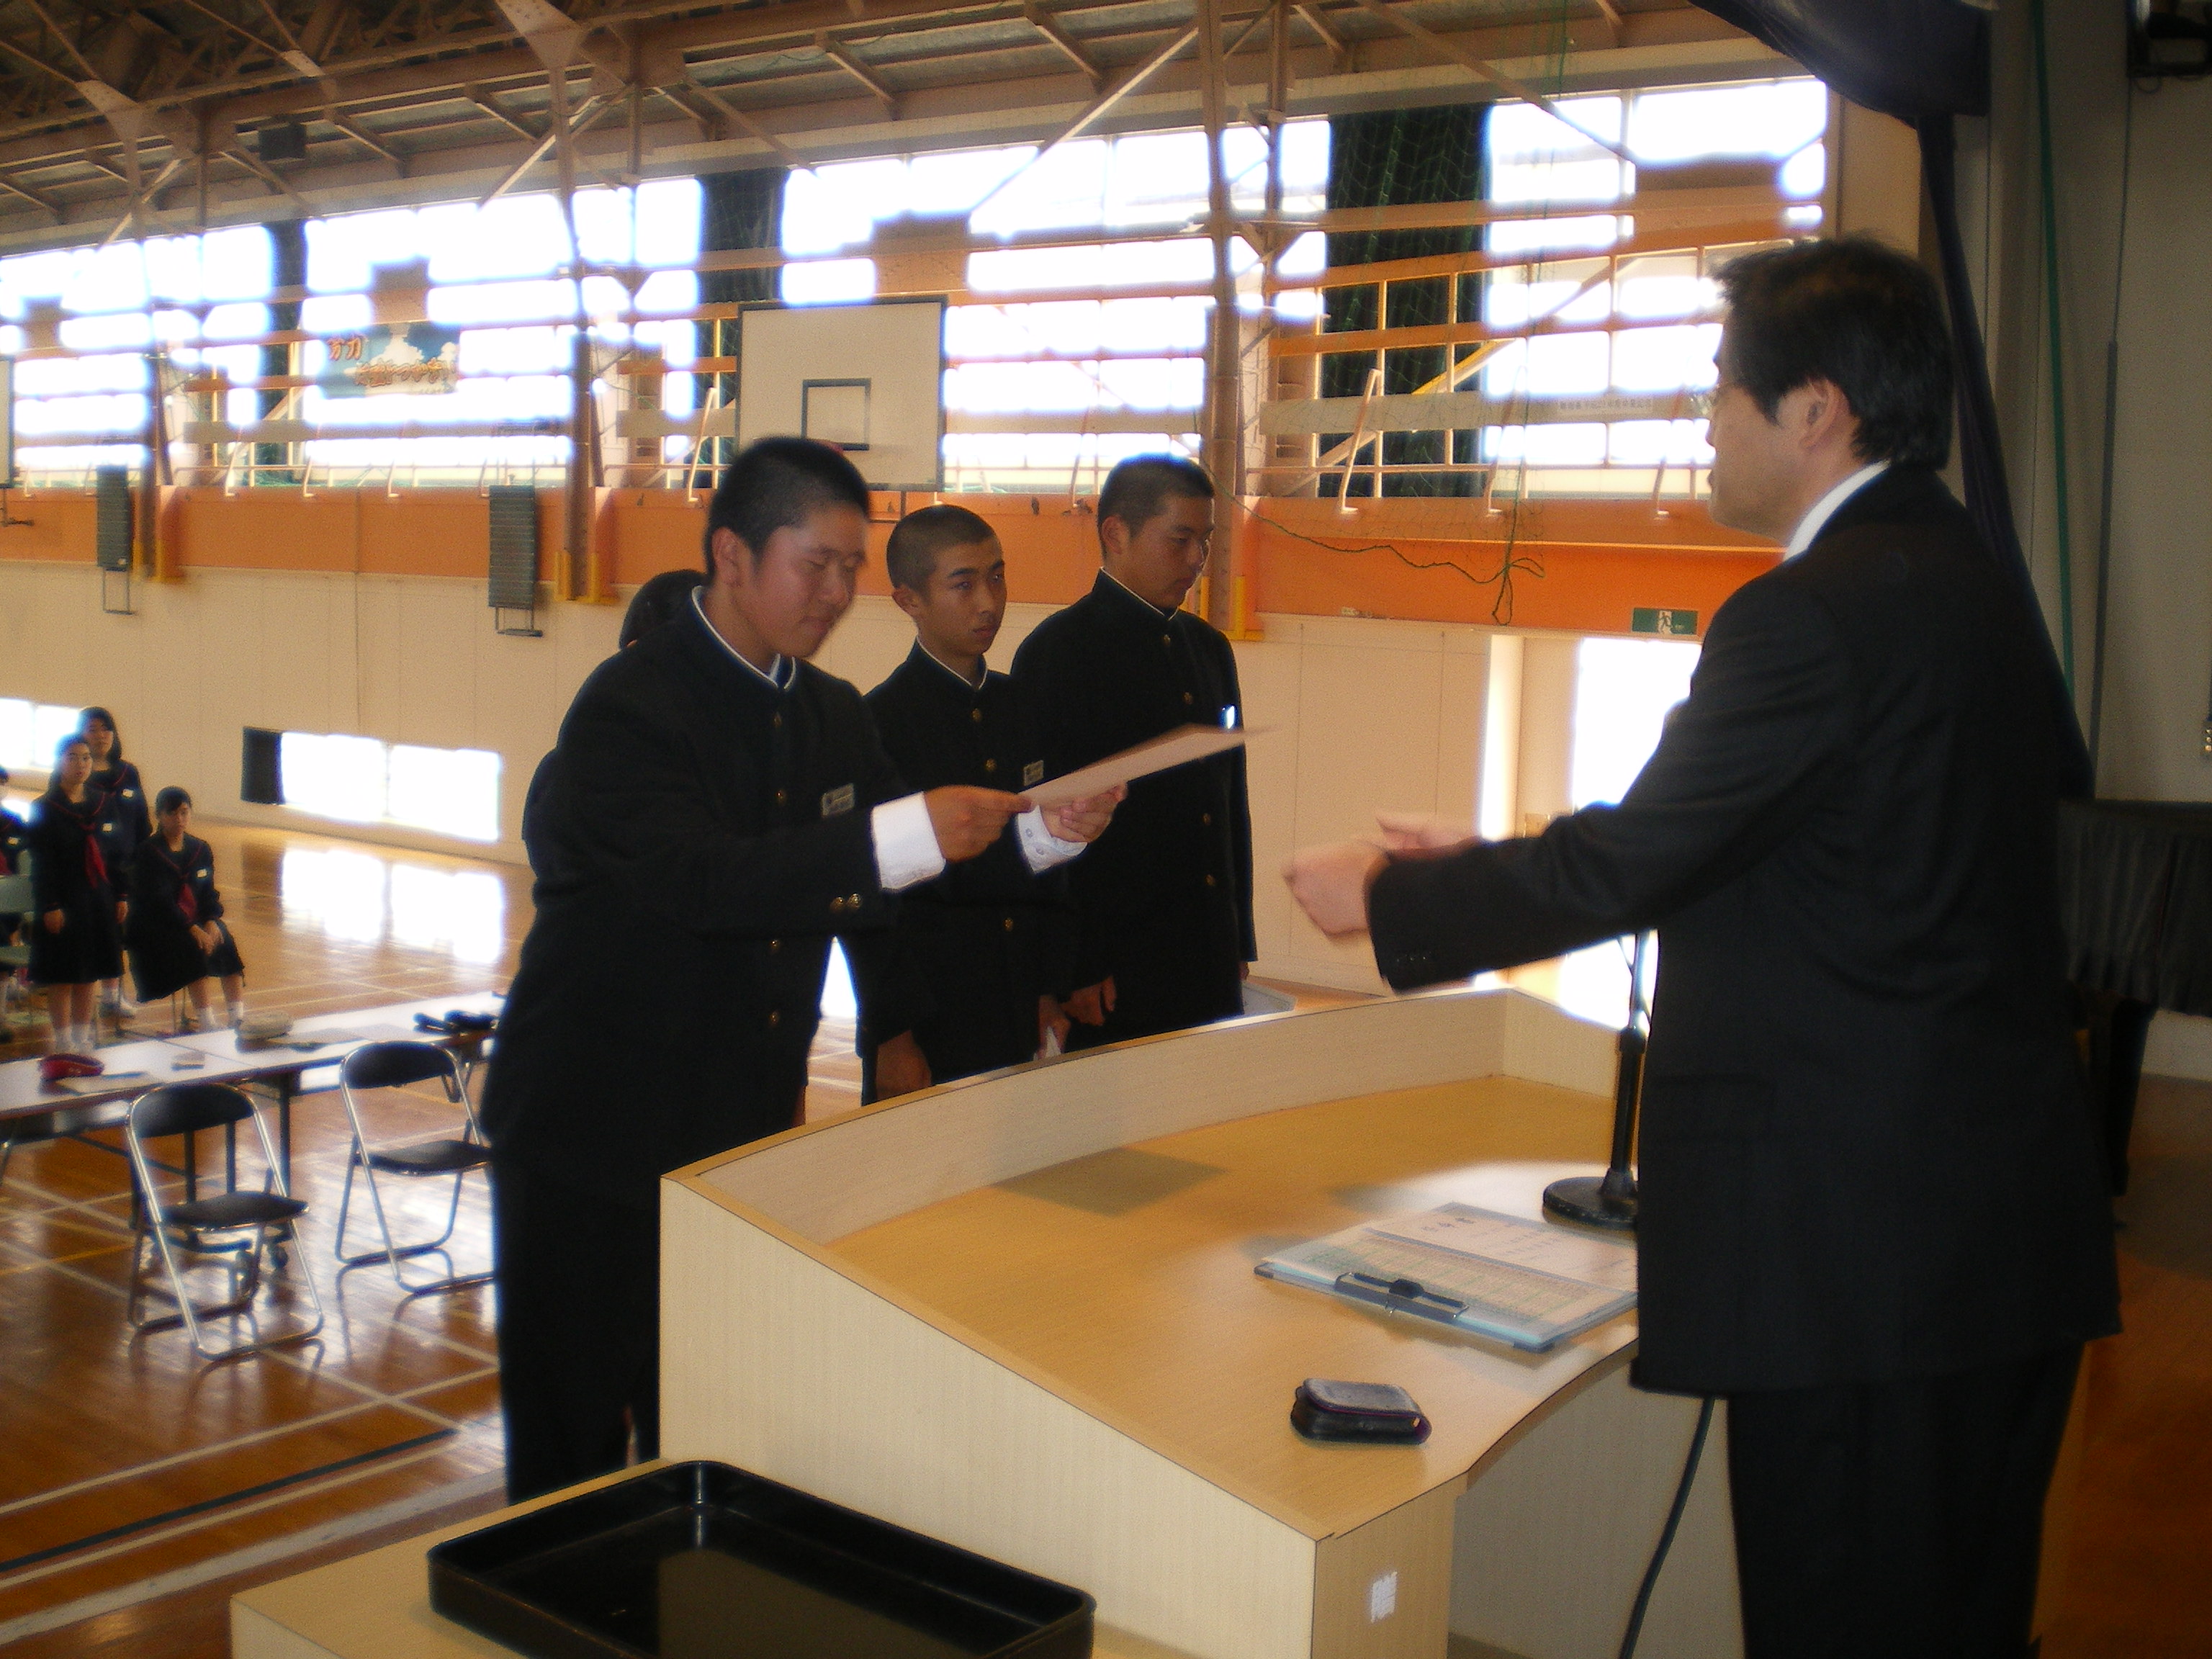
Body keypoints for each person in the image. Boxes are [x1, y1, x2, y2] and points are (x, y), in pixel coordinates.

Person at [1285, 238, 2119, 1659]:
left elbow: (1648, 855)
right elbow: (1832, 848)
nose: (1705, 422)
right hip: (1989, 1239)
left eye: (1723, 389)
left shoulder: (1806, 612)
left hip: (1860, 1265)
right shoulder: (1977, 583)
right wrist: (1493, 851)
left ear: (1817, 410)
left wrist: (1393, 896)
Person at [482, 439, 1118, 1503]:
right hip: (590, 1135)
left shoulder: (830, 713)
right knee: (572, 1449)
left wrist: (1048, 834)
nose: (835, 593)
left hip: (734, 1135)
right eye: (813, 564)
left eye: (849, 567)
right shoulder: (631, 705)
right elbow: (707, 882)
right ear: (732, 555)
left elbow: (913, 870)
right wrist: (904, 834)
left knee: (703, 1417)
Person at [867, 505, 1123, 1087]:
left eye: (997, 576)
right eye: (963, 584)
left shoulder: (1025, 706)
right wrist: (892, 1037)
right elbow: (877, 905)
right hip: (932, 1010)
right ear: (909, 600)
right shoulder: (878, 723)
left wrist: (1048, 988)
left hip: (1019, 1001)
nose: (988, 601)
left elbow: (1047, 883)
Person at [1011, 456, 1254, 1049]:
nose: (1197, 559)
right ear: (1116, 533)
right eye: (1180, 539)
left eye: (1206, 540)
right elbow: (1041, 826)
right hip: (1116, 966)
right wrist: (1074, 964)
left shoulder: (1208, 648)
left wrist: (1237, 933)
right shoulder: (1059, 652)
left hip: (1205, 945)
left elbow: (1228, 804)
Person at [27, 735, 125, 1055]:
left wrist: (121, 894)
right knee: (63, 974)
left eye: (86, 758)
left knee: (89, 973)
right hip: (63, 900)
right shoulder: (44, 808)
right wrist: (51, 905)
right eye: (72, 757)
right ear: (59, 762)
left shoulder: (102, 803)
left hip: (97, 899)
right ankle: (62, 1039)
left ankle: (83, 1038)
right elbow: (42, 862)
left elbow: (115, 853)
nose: (81, 764)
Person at [125, 788, 246, 1031]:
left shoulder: (200, 849)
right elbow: (159, 901)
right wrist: (192, 928)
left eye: (184, 812)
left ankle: (237, 1017)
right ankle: (207, 1020)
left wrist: (211, 920)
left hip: (195, 920)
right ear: (159, 816)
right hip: (159, 925)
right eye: (172, 814)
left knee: (224, 941)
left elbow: (208, 891)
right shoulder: (148, 852)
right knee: (194, 948)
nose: (179, 819)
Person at [78, 707, 148, 1023]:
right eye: (92, 729)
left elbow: (141, 820)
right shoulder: (78, 774)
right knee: (95, 933)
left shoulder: (128, 773)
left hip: (126, 868)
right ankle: (85, 996)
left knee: (119, 931)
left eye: (105, 729)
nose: (100, 735)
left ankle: (112, 994)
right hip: (92, 869)